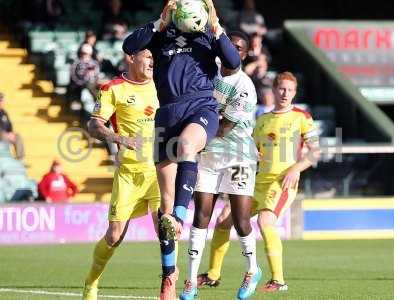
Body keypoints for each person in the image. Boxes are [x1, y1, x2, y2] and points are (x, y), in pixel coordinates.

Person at [122, 1, 241, 299]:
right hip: (167, 114)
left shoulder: (206, 35)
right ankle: (168, 275)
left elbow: (233, 63)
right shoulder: (160, 34)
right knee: (163, 204)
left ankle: (179, 214)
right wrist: (157, 23)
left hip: (201, 106)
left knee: (187, 145)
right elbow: (128, 45)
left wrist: (217, 29)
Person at [197, 72, 321, 293]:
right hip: (256, 181)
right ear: (273, 90)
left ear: (295, 92)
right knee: (224, 219)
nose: (285, 93)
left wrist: (294, 169)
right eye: (281, 88)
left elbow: (315, 152)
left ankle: (279, 280)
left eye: (290, 90)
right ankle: (213, 275)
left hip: (281, 182)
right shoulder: (262, 120)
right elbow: (252, 149)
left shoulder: (301, 117)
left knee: (265, 221)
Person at [179, 31, 261, 300]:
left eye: (239, 48)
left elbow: (223, 127)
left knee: (240, 220)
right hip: (209, 157)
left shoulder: (245, 85)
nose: (233, 50)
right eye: (230, 46)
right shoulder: (208, 74)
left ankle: (252, 269)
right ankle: (190, 280)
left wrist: (194, 133)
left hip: (238, 156)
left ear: (244, 54)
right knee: (201, 215)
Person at [81, 49, 160, 300]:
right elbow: (93, 124)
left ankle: (170, 287)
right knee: (114, 236)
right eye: (147, 56)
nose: (151, 61)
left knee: (166, 230)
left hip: (159, 172)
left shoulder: (163, 84)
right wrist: (119, 139)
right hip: (128, 174)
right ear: (131, 57)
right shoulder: (112, 88)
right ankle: (91, 283)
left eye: (153, 57)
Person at [0, 92, 25, 160]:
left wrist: (11, 133)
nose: (3, 102)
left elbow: (9, 125)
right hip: (1, 134)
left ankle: (20, 159)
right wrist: (6, 134)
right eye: (1, 100)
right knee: (3, 136)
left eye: (2, 100)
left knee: (17, 136)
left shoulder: (4, 112)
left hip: (6, 134)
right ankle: (5, 159)